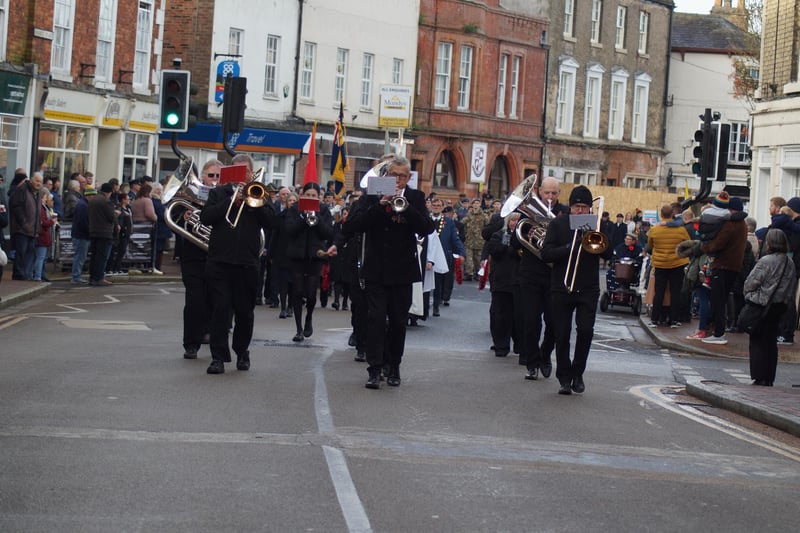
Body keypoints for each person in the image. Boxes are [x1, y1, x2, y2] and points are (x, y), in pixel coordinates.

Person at [342, 154, 434, 389]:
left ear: (408, 177)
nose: (399, 180)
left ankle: (394, 366)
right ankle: (374, 369)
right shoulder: (372, 193)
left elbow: (426, 227)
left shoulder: (415, 197)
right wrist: (379, 204)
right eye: (394, 175)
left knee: (397, 322)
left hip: (403, 269)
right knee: (375, 319)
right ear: (386, 174)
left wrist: (407, 209)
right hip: (376, 268)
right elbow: (352, 225)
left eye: (403, 176)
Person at [200, 154, 276, 374]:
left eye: (246, 171)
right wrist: (232, 200)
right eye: (237, 170)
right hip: (219, 261)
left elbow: (272, 222)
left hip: (247, 262)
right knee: (220, 310)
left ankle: (242, 352)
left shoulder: (259, 194)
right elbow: (206, 217)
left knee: (245, 312)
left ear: (251, 173)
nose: (242, 175)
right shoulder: (218, 193)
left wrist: (255, 202)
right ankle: (218, 357)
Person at [541, 185, 612, 395]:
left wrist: (595, 235)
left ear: (590, 208)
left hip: (588, 289)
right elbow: (546, 254)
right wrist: (570, 247)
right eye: (576, 207)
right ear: (570, 207)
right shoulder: (558, 224)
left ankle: (578, 373)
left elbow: (608, 255)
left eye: (584, 207)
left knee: (586, 331)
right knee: (561, 334)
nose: (580, 211)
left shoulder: (597, 225)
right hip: (562, 287)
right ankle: (564, 378)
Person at [511, 176, 560, 379]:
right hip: (530, 274)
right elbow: (515, 244)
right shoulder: (526, 214)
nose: (550, 197)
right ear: (539, 191)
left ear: (559, 194)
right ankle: (531, 362)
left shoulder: (563, 214)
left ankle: (545, 355)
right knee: (530, 321)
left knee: (554, 322)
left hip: (553, 275)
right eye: (546, 193)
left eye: (554, 193)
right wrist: (520, 231)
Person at [283, 181, 336, 342]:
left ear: (319, 197)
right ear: (302, 195)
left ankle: (309, 318)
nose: (311, 198)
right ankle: (299, 328)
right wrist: (303, 217)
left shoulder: (324, 210)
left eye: (314, 196)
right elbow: (289, 230)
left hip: (315, 256)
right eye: (308, 195)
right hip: (297, 257)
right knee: (297, 292)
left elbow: (328, 233)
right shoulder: (294, 209)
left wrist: (316, 217)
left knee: (312, 294)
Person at [178, 159, 220, 359]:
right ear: (202, 177)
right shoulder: (190, 197)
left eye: (218, 176)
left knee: (213, 299)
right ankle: (191, 343)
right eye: (210, 175)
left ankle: (208, 332)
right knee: (194, 299)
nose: (214, 180)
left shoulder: (225, 199)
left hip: (215, 257)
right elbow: (172, 215)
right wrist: (184, 216)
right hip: (193, 255)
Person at [744, 229, 797, 386]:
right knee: (771, 342)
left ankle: (759, 376)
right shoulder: (790, 262)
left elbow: (750, 283)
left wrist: (750, 295)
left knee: (758, 340)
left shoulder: (766, 261)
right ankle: (769, 377)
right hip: (779, 306)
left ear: (769, 242)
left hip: (762, 304)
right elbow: (791, 286)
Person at [700, 192, 748, 345]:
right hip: (734, 266)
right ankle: (719, 330)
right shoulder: (743, 224)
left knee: (717, 300)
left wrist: (705, 247)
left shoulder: (730, 224)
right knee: (724, 298)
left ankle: (718, 333)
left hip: (723, 265)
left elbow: (719, 243)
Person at [646, 204, 690, 328]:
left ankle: (655, 319)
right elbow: (687, 243)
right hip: (677, 263)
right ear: (672, 214)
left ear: (661, 214)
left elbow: (650, 245)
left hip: (660, 263)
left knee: (659, 291)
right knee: (675, 292)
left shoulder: (654, 229)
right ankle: (674, 320)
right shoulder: (681, 230)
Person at [486, 212, 521, 358]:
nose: (514, 223)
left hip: (518, 281)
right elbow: (495, 250)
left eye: (517, 221)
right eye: (512, 220)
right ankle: (501, 346)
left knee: (518, 316)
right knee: (500, 316)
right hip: (501, 281)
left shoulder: (523, 237)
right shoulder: (498, 235)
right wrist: (507, 244)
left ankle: (519, 344)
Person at [429, 197, 465, 316]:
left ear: (442, 208)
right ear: (430, 206)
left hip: (441, 255)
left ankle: (436, 306)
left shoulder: (448, 222)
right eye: (434, 205)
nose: (436, 207)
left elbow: (454, 238)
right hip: (426, 255)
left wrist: (461, 252)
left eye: (439, 205)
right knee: (424, 283)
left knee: (438, 282)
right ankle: (423, 309)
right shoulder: (425, 219)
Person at [9, 172, 42, 280]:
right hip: (22, 229)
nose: (39, 183)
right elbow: (16, 207)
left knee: (29, 253)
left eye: (40, 181)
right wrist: (24, 223)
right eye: (37, 181)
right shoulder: (23, 189)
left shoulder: (38, 193)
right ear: (31, 180)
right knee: (21, 253)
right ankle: (19, 275)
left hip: (33, 230)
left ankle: (25, 274)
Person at [87, 183, 119, 286]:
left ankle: (92, 277)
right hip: (104, 232)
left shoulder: (93, 200)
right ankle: (99, 277)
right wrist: (116, 214)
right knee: (102, 257)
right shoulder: (106, 202)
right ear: (109, 192)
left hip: (93, 231)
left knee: (94, 256)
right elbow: (110, 217)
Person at [32, 190, 57, 282]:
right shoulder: (41, 209)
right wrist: (52, 221)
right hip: (42, 236)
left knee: (40, 257)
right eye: (46, 197)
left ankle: (40, 275)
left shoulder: (42, 208)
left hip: (42, 235)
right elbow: (43, 222)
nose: (47, 199)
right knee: (40, 257)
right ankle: (38, 276)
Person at [462, 198, 489, 280]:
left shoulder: (484, 216)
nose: (476, 205)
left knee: (478, 258)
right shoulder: (469, 215)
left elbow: (488, 227)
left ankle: (478, 273)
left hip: (479, 240)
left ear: (480, 204)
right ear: (472, 205)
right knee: (469, 258)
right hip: (469, 240)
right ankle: (469, 273)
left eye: (477, 203)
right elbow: (462, 223)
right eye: (474, 203)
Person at [70, 188, 93, 283]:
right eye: (93, 196)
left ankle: (76, 275)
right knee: (80, 256)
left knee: (80, 256)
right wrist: (90, 231)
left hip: (80, 234)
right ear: (89, 195)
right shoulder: (83, 206)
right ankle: (76, 276)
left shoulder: (82, 204)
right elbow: (83, 222)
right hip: (81, 235)